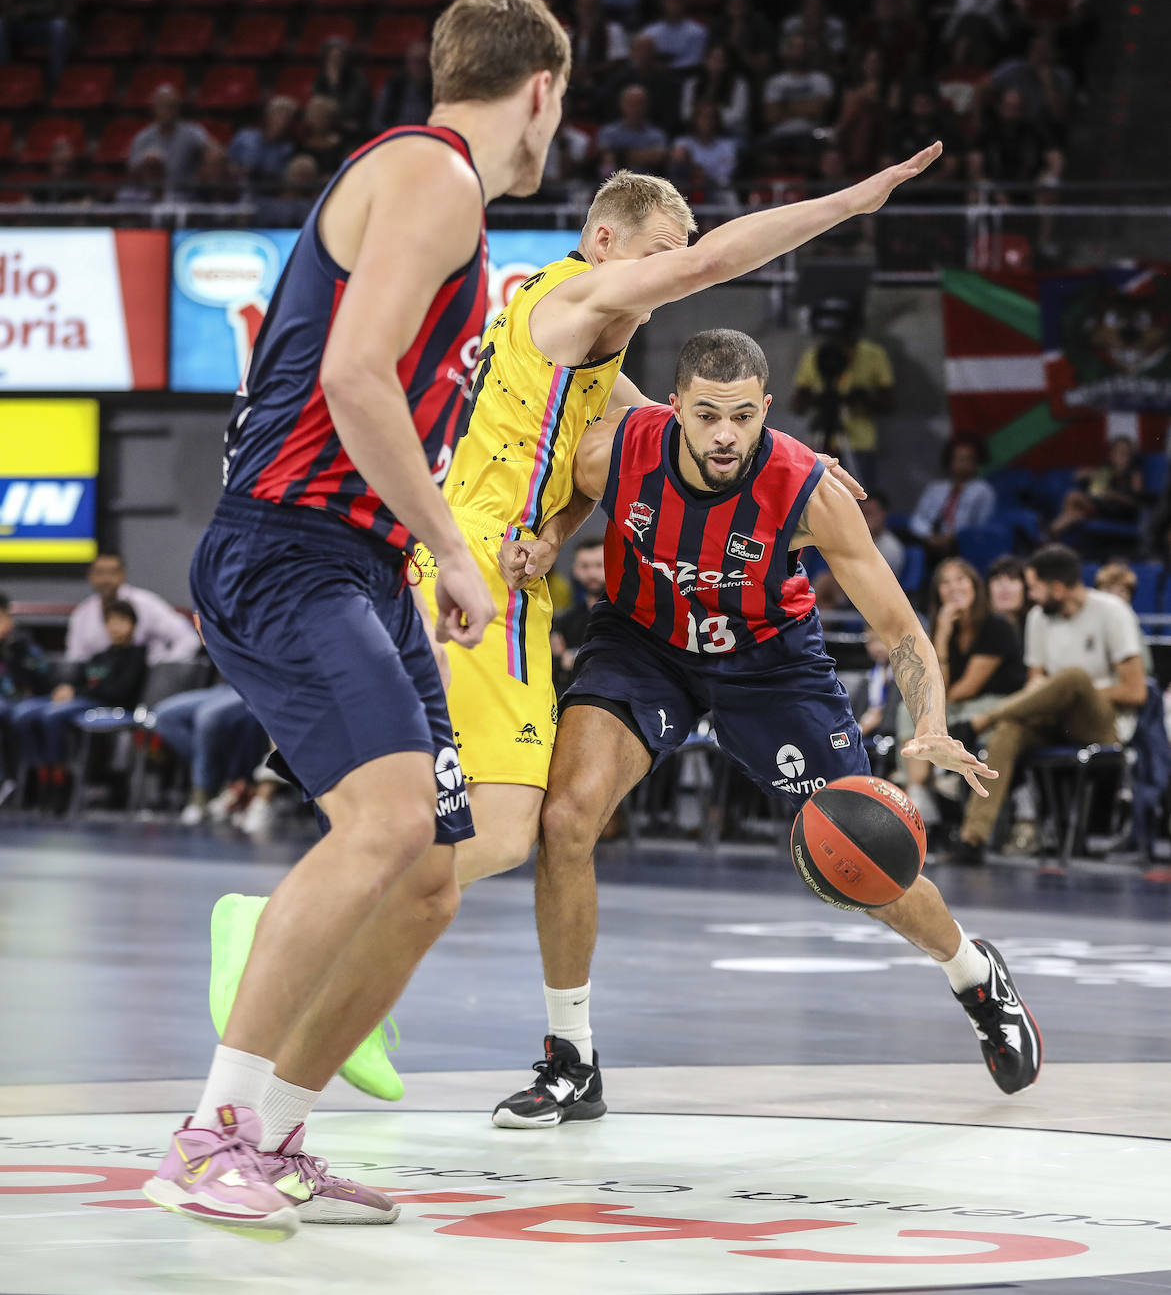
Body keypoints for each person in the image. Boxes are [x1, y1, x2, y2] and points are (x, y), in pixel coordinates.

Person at [207, 146, 943, 1111]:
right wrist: (851, 198)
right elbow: (709, 266)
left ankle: (321, 994)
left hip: (481, 561)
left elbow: (665, 425)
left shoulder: (584, 339)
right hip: (477, 566)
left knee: (434, 813)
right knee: (510, 827)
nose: (670, 270)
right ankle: (285, 931)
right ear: (605, 242)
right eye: (657, 252)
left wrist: (800, 464)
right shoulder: (579, 305)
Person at [141, 0, 572, 1240]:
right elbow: (352, 377)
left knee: (432, 875)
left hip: (352, 559)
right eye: (561, 103)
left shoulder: (431, 192)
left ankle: (273, 1136)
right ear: (539, 91)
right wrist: (453, 546)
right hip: (290, 549)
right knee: (384, 824)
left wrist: (412, 550)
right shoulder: (434, 175)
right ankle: (206, 1134)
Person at [489, 328, 1037, 1128]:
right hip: (644, 644)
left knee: (866, 861)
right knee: (567, 819)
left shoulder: (810, 490)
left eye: (741, 417)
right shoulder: (615, 451)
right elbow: (575, 494)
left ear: (765, 412)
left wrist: (930, 721)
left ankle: (972, 973)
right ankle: (571, 1062)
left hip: (769, 664)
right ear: (674, 407)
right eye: (706, 414)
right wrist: (548, 538)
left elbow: (901, 629)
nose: (723, 434)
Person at [954, 543, 1148, 861]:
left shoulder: (1113, 612)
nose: (1031, 595)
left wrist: (1074, 692)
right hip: (1054, 719)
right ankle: (972, 839)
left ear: (1057, 588)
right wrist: (1055, 696)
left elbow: (1136, 691)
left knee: (1073, 677)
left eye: (1034, 588)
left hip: (1104, 723)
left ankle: (980, 720)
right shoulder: (1038, 618)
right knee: (1009, 729)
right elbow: (1036, 683)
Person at [901, 557, 1026, 823]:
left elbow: (964, 689)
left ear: (974, 586)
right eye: (945, 583)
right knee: (907, 709)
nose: (953, 588)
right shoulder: (941, 627)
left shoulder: (997, 626)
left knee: (926, 707)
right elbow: (935, 685)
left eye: (960, 580)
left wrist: (936, 700)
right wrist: (943, 635)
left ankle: (927, 789)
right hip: (958, 703)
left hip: (995, 704)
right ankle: (919, 788)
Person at [11, 600, 146, 808]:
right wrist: (65, 689)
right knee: (23, 713)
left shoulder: (136, 656)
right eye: (111, 621)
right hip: (80, 699)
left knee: (51, 716)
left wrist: (77, 692)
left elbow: (118, 691)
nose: (116, 627)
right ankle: (37, 775)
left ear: (133, 625)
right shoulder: (100, 656)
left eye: (122, 621)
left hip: (105, 704)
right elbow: (80, 680)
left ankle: (59, 780)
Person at [790, 300, 893, 489]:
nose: (836, 342)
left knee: (860, 494)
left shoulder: (873, 355)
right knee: (812, 494)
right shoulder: (815, 356)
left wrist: (862, 398)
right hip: (821, 437)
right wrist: (819, 399)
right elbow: (797, 405)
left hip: (858, 442)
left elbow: (889, 403)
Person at [150, 683, 269, 826]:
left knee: (207, 716)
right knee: (164, 716)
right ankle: (223, 780)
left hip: (256, 686)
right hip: (226, 686)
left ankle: (203, 792)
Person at [66, 553, 201, 667]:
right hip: (103, 687)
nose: (106, 579)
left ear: (123, 574)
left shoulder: (147, 603)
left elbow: (188, 639)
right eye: (100, 573)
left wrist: (162, 670)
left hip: (145, 684)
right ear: (90, 576)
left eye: (112, 572)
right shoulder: (82, 614)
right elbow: (76, 659)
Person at [908, 433, 997, 562]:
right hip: (930, 540)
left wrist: (955, 537)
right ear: (950, 461)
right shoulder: (936, 488)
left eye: (968, 459)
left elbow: (982, 525)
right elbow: (917, 518)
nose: (964, 464)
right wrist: (929, 535)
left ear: (976, 462)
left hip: (961, 544)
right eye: (959, 459)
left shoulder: (983, 491)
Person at [0, 592, 52, 803]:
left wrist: (13, 651)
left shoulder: (23, 646)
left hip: (22, 703)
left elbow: (42, 682)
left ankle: (9, 779)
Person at [1050, 435, 1144, 540]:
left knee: (1075, 502)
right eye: (1115, 452)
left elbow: (1136, 503)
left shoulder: (1134, 474)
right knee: (1074, 505)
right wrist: (1092, 477)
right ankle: (1053, 534)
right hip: (1101, 509)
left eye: (1124, 453)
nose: (1119, 456)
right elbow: (1095, 494)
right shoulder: (1106, 470)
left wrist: (1113, 495)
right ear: (1111, 454)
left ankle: (1055, 535)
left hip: (1120, 513)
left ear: (1130, 456)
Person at [128, 85, 213, 199]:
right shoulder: (143, 137)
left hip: (184, 194)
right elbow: (132, 172)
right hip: (149, 195)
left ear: (178, 108)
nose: (167, 110)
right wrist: (147, 164)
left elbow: (214, 151)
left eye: (171, 106)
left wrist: (206, 165)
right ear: (154, 108)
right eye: (163, 106)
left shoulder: (192, 132)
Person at [550, 536, 606, 695]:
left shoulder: (627, 616)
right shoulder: (565, 622)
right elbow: (557, 665)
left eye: (599, 565)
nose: (592, 573)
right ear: (575, 569)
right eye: (585, 566)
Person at [227, 96, 298, 190]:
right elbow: (228, 160)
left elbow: (281, 176)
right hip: (235, 190)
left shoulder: (287, 148)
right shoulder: (244, 136)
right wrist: (235, 170)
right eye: (279, 115)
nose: (283, 121)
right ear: (268, 116)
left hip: (266, 194)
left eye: (287, 117)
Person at [312, 37, 370, 141]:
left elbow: (352, 108)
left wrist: (334, 85)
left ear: (345, 59)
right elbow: (316, 103)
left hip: (350, 124)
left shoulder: (356, 77)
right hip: (327, 124)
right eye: (331, 58)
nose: (334, 62)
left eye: (338, 58)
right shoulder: (321, 79)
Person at [372, 39, 432, 133]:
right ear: (407, 62)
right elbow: (378, 121)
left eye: (424, 61)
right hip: (395, 137)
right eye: (416, 61)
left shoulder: (436, 88)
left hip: (427, 139)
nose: (420, 66)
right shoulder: (395, 84)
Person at [986, 553, 1028, 634]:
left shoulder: (1037, 626)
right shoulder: (975, 631)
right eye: (997, 579)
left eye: (1012, 579)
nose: (1004, 586)